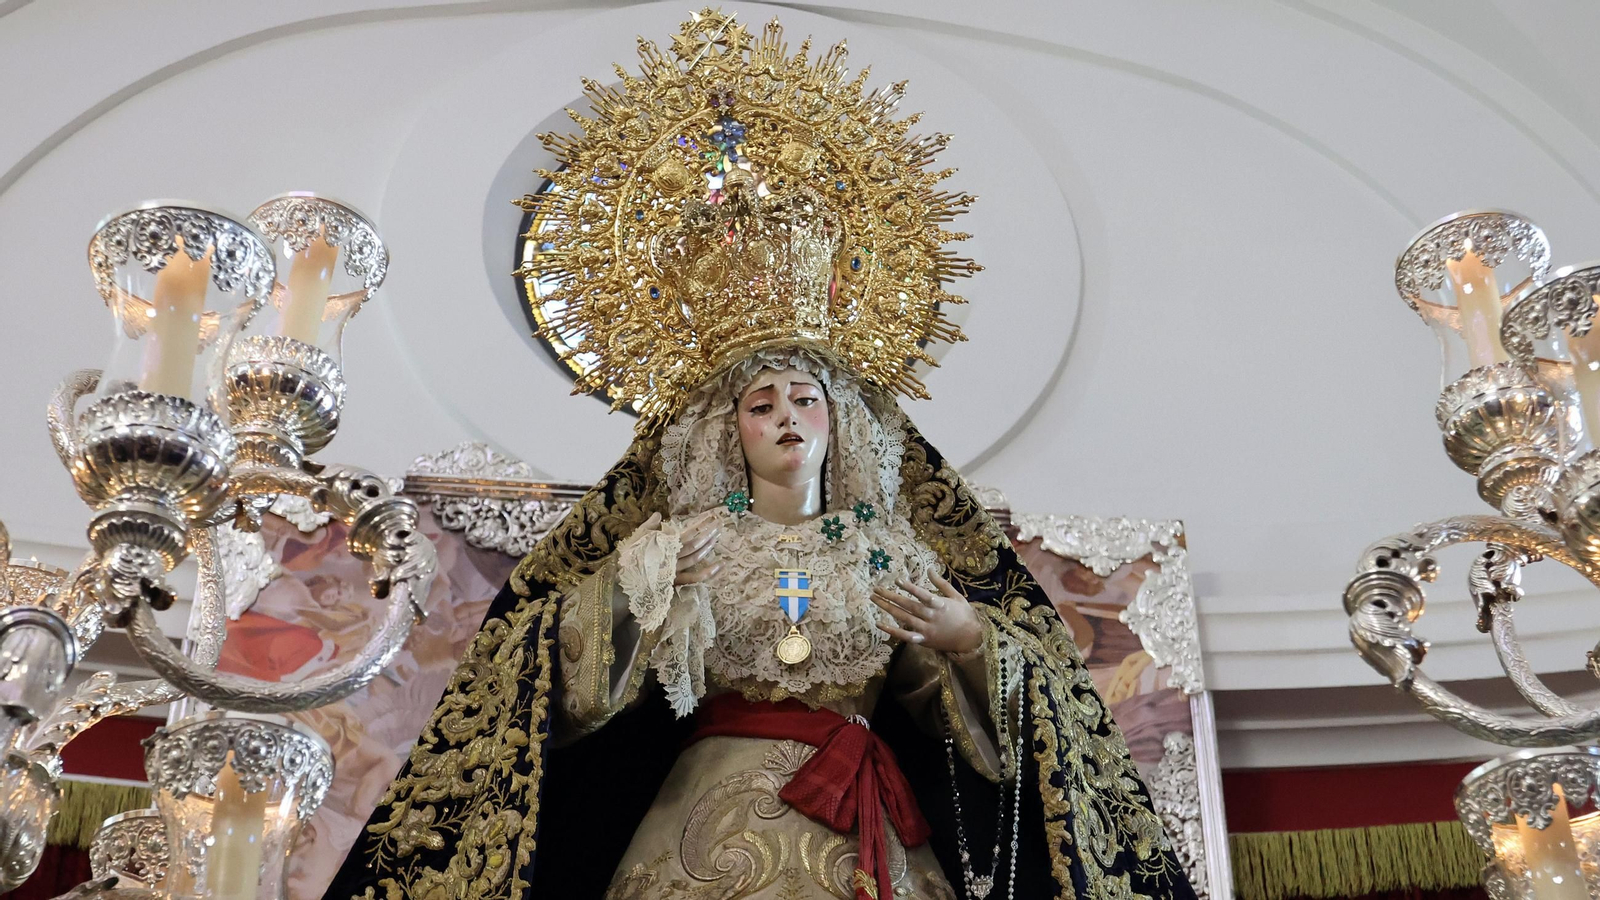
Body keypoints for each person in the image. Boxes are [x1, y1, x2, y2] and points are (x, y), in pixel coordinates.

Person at [322, 11, 1196, 900]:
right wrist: (627, 591)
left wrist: (968, 640)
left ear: (839, 423)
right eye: (761, 405)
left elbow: (999, 734)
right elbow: (563, 690)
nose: (786, 418)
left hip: (867, 834)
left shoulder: (888, 552)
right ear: (727, 430)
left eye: (806, 400)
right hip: (697, 837)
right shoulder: (680, 544)